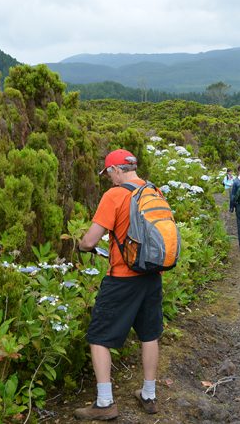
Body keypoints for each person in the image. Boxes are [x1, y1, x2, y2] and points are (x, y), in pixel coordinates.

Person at [75, 148, 162, 420]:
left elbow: (90, 241)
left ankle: (104, 403)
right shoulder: (153, 191)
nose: (108, 179)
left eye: (108, 173)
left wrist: (80, 244)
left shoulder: (114, 194)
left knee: (99, 336)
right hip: (151, 275)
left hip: (123, 278)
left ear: (115, 170)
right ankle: (149, 395)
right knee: (149, 334)